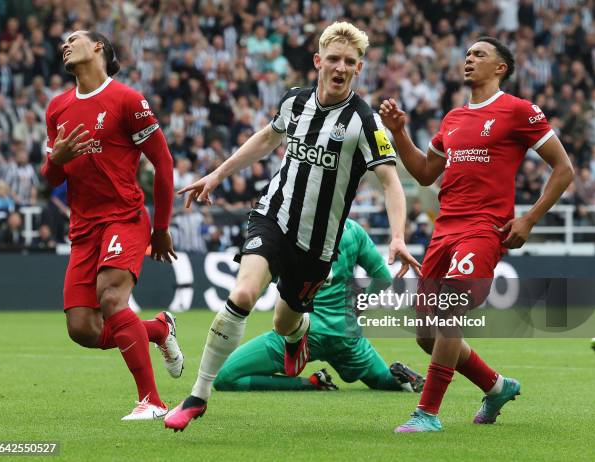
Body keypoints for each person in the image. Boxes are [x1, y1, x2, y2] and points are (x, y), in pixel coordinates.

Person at [165, 21, 420, 432]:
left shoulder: (364, 121)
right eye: (333, 59)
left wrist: (397, 236)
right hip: (273, 217)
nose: (340, 67)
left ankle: (299, 332)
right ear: (318, 61)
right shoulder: (294, 102)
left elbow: (391, 181)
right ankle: (198, 395)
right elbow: (265, 140)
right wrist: (216, 175)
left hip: (316, 248)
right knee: (244, 293)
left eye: (349, 62)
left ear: (359, 69)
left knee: (284, 322)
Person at [379, 37, 573, 432]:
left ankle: (427, 414)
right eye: (466, 54)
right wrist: (399, 133)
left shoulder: (518, 111)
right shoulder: (453, 118)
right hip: (444, 229)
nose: (468, 60)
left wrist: (530, 219)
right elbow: (425, 173)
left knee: (450, 311)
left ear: (500, 67)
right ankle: (496, 385)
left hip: (484, 229)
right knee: (425, 335)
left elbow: (563, 168)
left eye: (479, 55)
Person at [40, 30, 184, 421]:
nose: (65, 44)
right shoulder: (57, 107)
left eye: (74, 38)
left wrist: (160, 227)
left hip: (124, 216)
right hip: (84, 228)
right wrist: (58, 159)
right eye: (62, 41)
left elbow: (164, 162)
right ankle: (157, 330)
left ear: (99, 47)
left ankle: (152, 400)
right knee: (82, 328)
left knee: (111, 298)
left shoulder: (127, 100)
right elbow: (51, 177)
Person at [213, 219, 425, 393]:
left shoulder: (289, 230)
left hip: (302, 330)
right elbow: (383, 277)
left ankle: (311, 383)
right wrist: (356, 308)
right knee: (381, 379)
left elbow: (259, 282)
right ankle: (399, 377)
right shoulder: (353, 231)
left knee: (225, 378)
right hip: (345, 334)